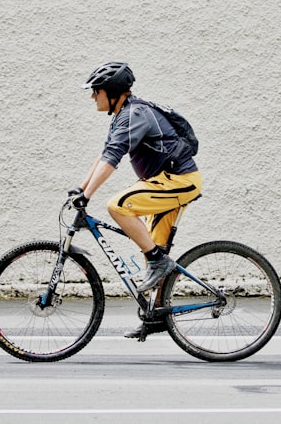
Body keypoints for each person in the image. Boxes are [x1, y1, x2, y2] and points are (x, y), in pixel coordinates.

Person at [68, 62, 203, 300]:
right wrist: (81, 188)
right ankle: (158, 313)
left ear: (111, 91)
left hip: (179, 181)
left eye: (95, 90)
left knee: (117, 206)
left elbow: (112, 159)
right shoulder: (123, 115)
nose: (92, 96)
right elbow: (104, 155)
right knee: (153, 250)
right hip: (165, 182)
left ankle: (159, 262)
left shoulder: (134, 114)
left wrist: (87, 195)